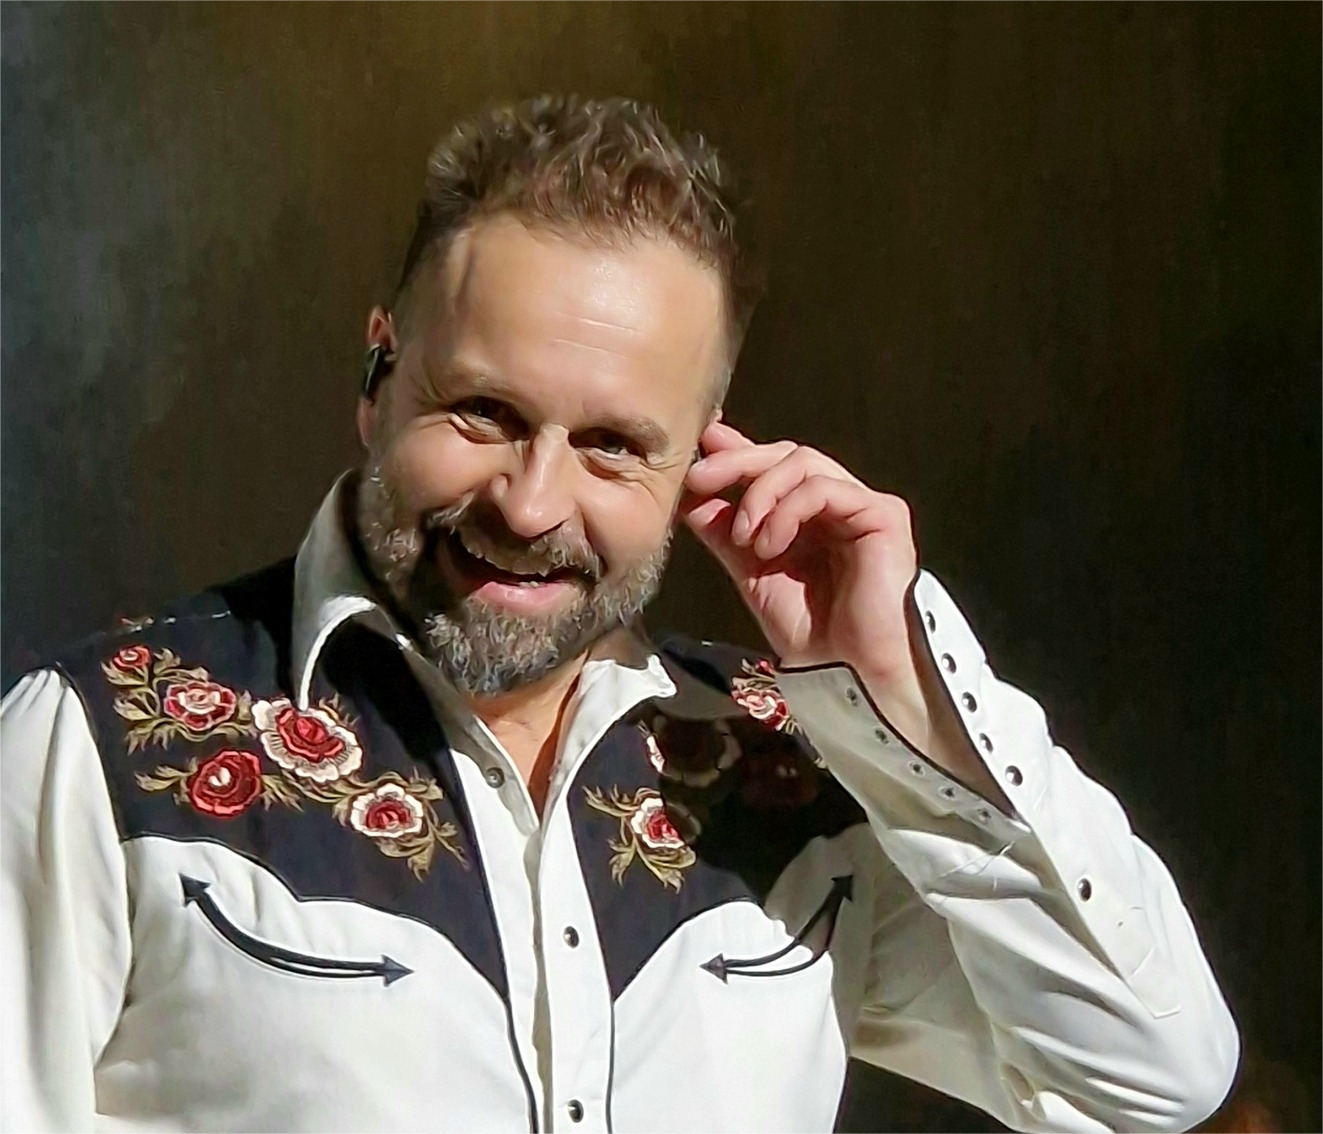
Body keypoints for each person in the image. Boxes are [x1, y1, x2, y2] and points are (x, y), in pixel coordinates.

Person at [0, 95, 1238, 1134]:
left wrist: (903, 701)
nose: (533, 502)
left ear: (702, 458)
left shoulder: (797, 773)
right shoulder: (90, 749)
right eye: (483, 412)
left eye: (612, 445)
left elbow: (1152, 1076)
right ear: (377, 374)